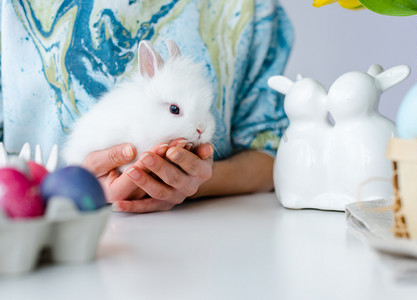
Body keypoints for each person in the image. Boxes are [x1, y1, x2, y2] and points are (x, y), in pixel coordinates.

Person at [0, 0, 293, 212]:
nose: (201, 126)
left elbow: (270, 151)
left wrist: (194, 183)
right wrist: (84, 183)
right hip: (41, 220)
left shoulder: (252, 11)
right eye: (176, 111)